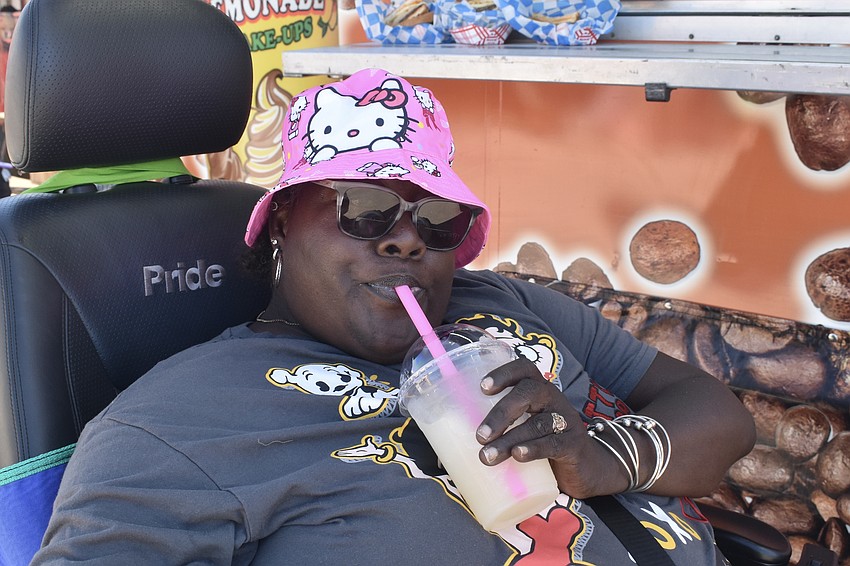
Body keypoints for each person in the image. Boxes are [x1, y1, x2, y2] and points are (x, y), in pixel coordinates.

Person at [32, 68, 755, 565]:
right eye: (363, 207)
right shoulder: (175, 425)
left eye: (436, 218)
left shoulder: (503, 302)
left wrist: (605, 458)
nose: (405, 237)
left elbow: (717, 414)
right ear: (283, 220)